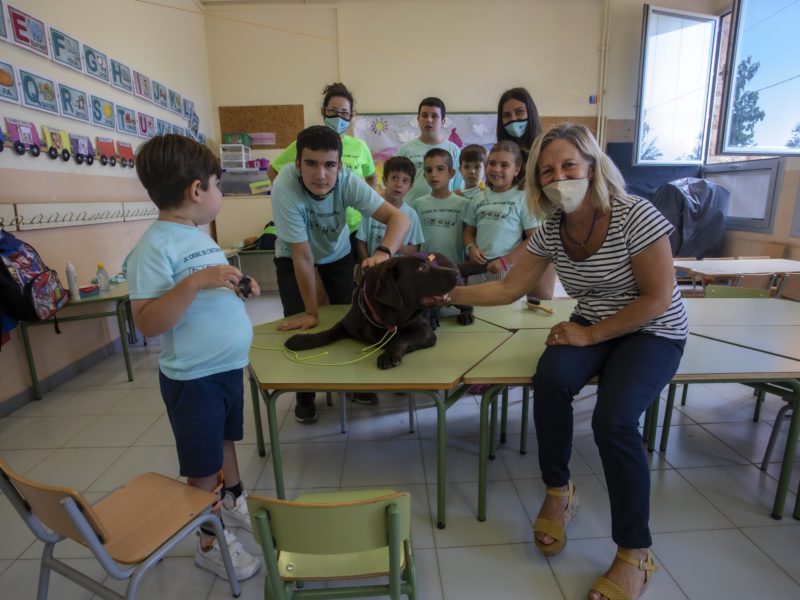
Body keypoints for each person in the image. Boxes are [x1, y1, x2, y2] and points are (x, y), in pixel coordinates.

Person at [449, 123, 687, 600]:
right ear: (536, 183)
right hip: (592, 325)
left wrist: (590, 333)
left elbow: (658, 297)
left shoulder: (634, 213)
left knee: (614, 420)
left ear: (593, 166)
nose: (559, 178)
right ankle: (559, 492)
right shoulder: (554, 229)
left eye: (568, 165)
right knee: (550, 382)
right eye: (547, 171)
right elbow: (509, 288)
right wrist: (443, 293)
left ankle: (634, 552)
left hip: (651, 329)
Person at [124, 134, 261, 581]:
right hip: (194, 379)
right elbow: (146, 321)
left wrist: (237, 285)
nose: (220, 193)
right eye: (218, 184)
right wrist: (196, 283)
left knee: (225, 442)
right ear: (196, 191)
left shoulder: (196, 236)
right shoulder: (153, 247)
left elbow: (208, 284)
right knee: (203, 469)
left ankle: (233, 496)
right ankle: (208, 539)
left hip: (224, 369)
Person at [271, 125, 410, 423]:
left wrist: (383, 253)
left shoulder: (348, 181)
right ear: (297, 164)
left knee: (351, 319)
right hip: (293, 255)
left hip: (337, 254)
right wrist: (311, 311)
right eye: (311, 163)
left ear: (340, 165)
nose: (320, 174)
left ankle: (351, 385)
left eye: (329, 165)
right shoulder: (284, 186)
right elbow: (303, 256)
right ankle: (304, 394)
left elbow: (398, 219)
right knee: (301, 323)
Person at [268, 82, 377, 259]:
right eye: (333, 111)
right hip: (317, 224)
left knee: (350, 276)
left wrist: (366, 202)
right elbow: (273, 171)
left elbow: (371, 177)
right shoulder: (306, 143)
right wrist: (290, 198)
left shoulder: (360, 147)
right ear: (324, 111)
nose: (338, 117)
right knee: (315, 267)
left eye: (344, 113)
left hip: (353, 226)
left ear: (351, 116)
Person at [496, 87, 556, 299]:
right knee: (505, 297)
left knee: (538, 298)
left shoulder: (546, 148)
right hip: (510, 237)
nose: (513, 119)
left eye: (519, 112)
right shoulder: (501, 151)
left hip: (541, 232)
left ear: (530, 112)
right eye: (506, 115)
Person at [462, 140, 538, 284]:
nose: (496, 169)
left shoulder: (523, 198)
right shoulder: (478, 198)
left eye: (504, 165)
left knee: (506, 307)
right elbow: (468, 232)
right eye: (492, 163)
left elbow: (533, 239)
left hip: (508, 270)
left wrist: (506, 261)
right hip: (478, 269)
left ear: (516, 170)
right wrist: (471, 248)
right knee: (477, 306)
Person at [396, 97, 463, 207]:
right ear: (418, 119)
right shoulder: (405, 150)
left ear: (443, 121)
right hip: (411, 212)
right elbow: (396, 184)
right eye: (424, 115)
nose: (429, 120)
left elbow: (458, 187)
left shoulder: (453, 150)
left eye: (434, 116)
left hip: (443, 213)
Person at [357, 156, 424, 260]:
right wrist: (366, 266)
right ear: (384, 180)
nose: (399, 184)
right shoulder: (371, 209)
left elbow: (416, 248)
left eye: (405, 181)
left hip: (400, 272)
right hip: (374, 269)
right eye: (395, 178)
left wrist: (398, 247)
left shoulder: (412, 214)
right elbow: (361, 243)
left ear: (410, 187)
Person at [413, 148, 468, 264]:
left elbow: (468, 239)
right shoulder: (418, 204)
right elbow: (416, 243)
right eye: (429, 170)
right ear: (424, 175)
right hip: (426, 269)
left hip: (455, 269)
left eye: (440, 169)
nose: (433, 174)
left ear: (451, 173)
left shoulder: (464, 204)